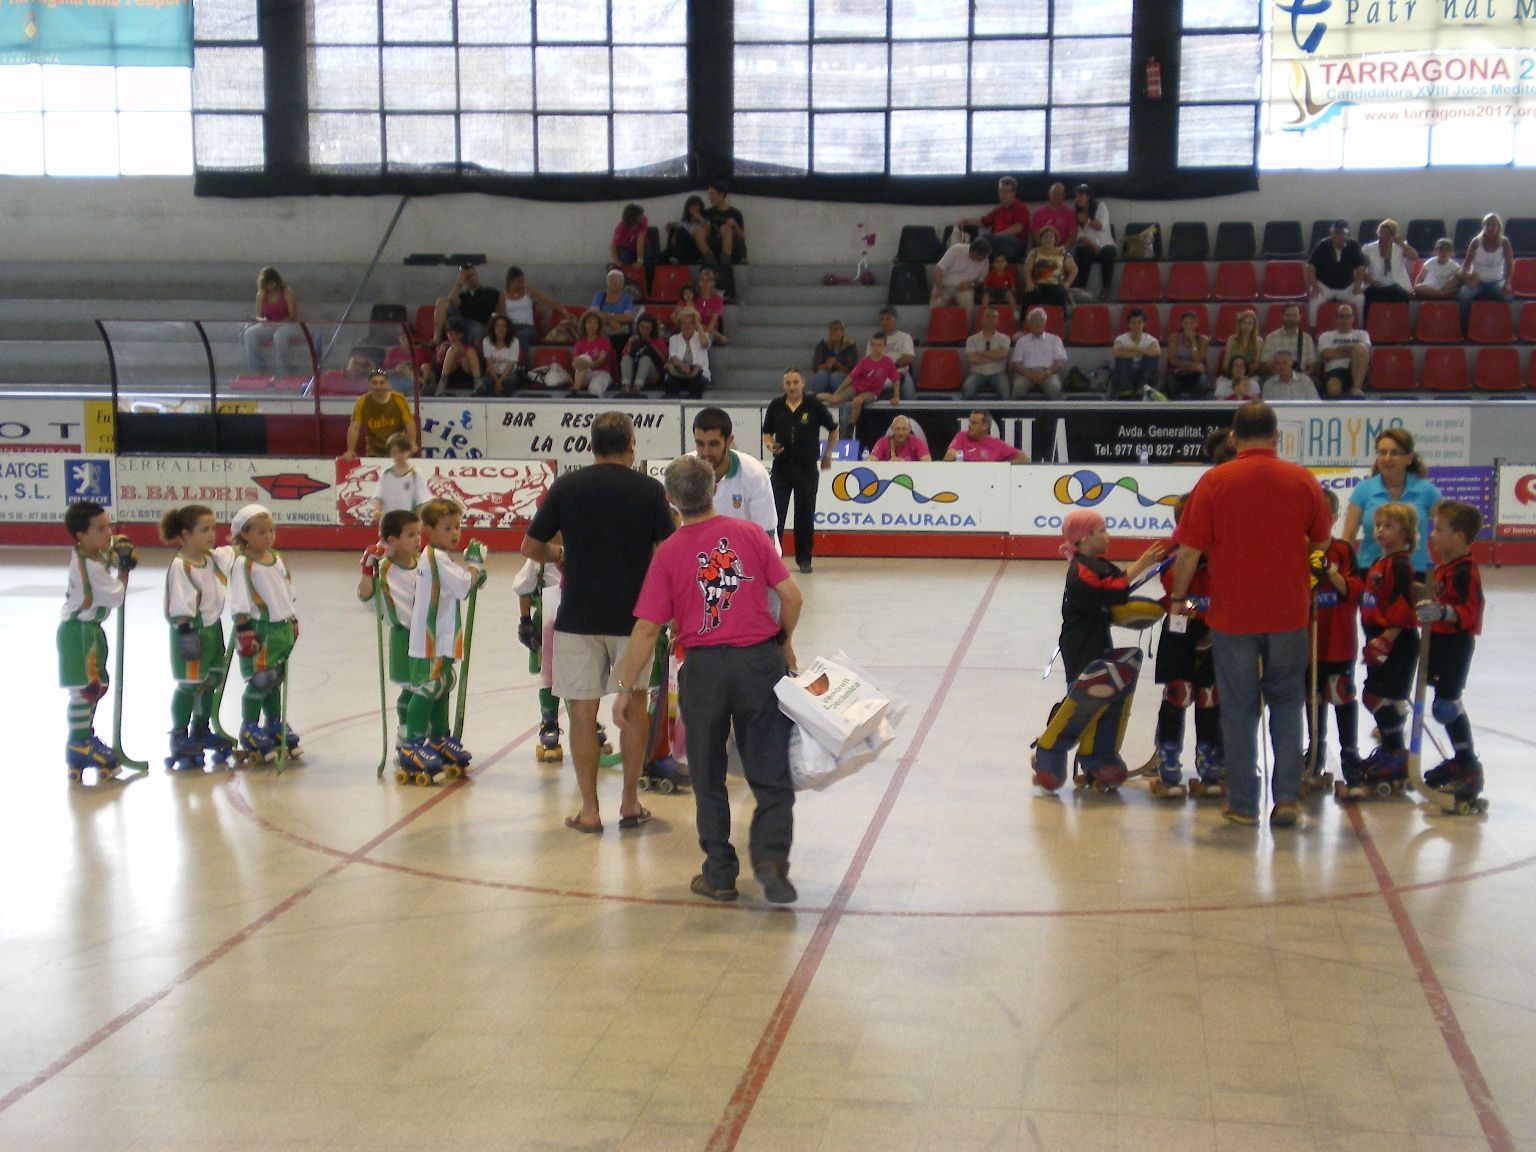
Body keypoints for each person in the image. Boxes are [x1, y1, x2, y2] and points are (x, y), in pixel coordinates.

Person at [612, 455, 804, 903]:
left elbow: (647, 628)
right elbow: (792, 597)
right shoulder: (751, 534)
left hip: (704, 671)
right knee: (770, 771)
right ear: (714, 488)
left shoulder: (668, 553)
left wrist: (625, 688)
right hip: (759, 663)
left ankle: (719, 872)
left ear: (670, 499)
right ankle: (772, 861)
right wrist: (783, 641)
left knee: (707, 773)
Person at [1168, 400, 1332, 827]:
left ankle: (1243, 803)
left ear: (1233, 437)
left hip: (1233, 615)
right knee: (1287, 703)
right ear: (1277, 437)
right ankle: (1288, 798)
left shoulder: (1214, 481)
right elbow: (1321, 543)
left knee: (1239, 709)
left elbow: (1189, 550)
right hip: (1289, 612)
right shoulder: (1302, 480)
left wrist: (1178, 598)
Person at [521, 413, 676, 832]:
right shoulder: (649, 490)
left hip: (578, 616)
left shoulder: (567, 486)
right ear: (631, 444)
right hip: (634, 619)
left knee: (582, 714)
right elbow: (668, 550)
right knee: (634, 707)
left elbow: (531, 546)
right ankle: (629, 802)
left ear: (592, 446)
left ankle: (589, 810)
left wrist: (560, 556)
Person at [1031, 511, 1165, 792]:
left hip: (1097, 640)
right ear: (1084, 538)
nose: (1108, 536)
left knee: (1104, 694)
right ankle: (1048, 749)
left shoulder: (1098, 564)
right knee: (1083, 698)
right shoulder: (1081, 570)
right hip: (1080, 645)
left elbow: (1116, 595)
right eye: (1102, 530)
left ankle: (1097, 755)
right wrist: (1142, 564)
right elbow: (1114, 589)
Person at [400, 498, 485, 781]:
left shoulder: (440, 558)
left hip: (442, 638)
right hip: (430, 640)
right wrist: (474, 565)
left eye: (457, 527)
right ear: (429, 530)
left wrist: (474, 575)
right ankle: (411, 744)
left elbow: (460, 583)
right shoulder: (436, 557)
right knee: (428, 687)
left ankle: (438, 738)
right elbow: (463, 586)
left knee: (443, 684)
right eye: (447, 528)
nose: (455, 533)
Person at [1147, 494, 1222, 799]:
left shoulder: (1221, 553)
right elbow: (1172, 585)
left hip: (1213, 629)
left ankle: (1208, 760)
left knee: (1209, 695)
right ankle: (1168, 761)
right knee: (1178, 693)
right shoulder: (1175, 554)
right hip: (1182, 630)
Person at [58, 502, 136, 779]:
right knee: (85, 688)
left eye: (109, 526)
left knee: (97, 685)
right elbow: (116, 596)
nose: (109, 533)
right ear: (81, 535)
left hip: (90, 630)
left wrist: (118, 549)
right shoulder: (89, 566)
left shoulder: (91, 551)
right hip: (78, 633)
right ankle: (78, 743)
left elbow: (108, 550)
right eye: (101, 528)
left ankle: (84, 737)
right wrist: (124, 571)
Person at [1418, 500, 1487, 807]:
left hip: (1455, 643)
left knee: (1447, 705)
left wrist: (1443, 612)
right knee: (1439, 702)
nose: (1432, 535)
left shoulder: (1464, 571)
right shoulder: (1445, 568)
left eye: (1439, 529)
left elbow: (1469, 611)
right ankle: (1460, 761)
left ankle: (1468, 765)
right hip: (1439, 640)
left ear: (1459, 537)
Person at [1350, 503, 1420, 799]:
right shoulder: (1382, 562)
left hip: (1396, 641)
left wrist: (1386, 639)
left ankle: (1397, 754)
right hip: (1379, 638)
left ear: (1405, 533)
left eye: (1388, 526)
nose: (1380, 530)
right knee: (1377, 695)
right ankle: (1391, 750)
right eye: (1378, 525)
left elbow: (1402, 606)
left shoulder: (1399, 565)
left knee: (1381, 697)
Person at [161, 504, 231, 772]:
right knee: (190, 684)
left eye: (213, 528)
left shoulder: (211, 559)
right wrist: (186, 634)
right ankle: (179, 734)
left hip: (213, 629)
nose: (212, 534)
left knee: (210, 680)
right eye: (204, 530)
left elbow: (235, 552)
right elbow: (179, 605)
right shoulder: (182, 566)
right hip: (191, 631)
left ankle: (200, 728)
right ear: (186, 534)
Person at [227, 504, 300, 760]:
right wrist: (243, 628)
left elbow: (287, 591)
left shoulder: (276, 558)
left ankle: (274, 722)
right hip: (261, 629)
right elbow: (240, 598)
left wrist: (292, 619)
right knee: (260, 680)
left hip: (281, 627)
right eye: (261, 532)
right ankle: (249, 727)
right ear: (244, 535)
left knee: (274, 680)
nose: (268, 536)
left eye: (271, 530)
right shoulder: (243, 564)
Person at [1305, 488, 1364, 789]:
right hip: (1308, 642)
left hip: (1337, 638)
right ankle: (1315, 751)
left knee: (1340, 692)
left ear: (1335, 517)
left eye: (1325, 513)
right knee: (1312, 697)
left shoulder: (1343, 551)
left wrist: (1328, 571)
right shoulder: (1296, 550)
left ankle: (1350, 754)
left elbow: (1354, 588)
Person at [357, 509, 420, 766]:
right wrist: (367, 568)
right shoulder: (385, 569)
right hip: (403, 635)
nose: (417, 539)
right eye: (411, 535)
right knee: (412, 688)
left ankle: (422, 734)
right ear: (392, 540)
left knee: (426, 687)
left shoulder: (423, 562)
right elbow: (366, 597)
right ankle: (406, 738)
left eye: (418, 533)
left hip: (427, 634)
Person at [762, 368, 837, 574]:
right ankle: (772, 557)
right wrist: (770, 446)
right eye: (788, 383)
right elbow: (766, 433)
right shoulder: (776, 406)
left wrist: (828, 454)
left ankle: (804, 559)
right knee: (775, 513)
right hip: (782, 468)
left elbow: (833, 428)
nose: (792, 387)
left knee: (804, 515)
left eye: (795, 382)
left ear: (803, 383)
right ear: (783, 385)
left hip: (807, 468)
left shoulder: (813, 405)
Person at [1342, 428, 1442, 574]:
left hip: (1415, 572)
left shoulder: (1428, 491)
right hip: (1369, 571)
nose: (1387, 458)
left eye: (1394, 453)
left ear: (1409, 458)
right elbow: (1348, 537)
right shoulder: (1363, 490)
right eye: (1382, 452)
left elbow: (1444, 532)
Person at [694, 406, 777, 537]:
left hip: (749, 547)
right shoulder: (685, 471)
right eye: (700, 443)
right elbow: (674, 516)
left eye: (713, 444)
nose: (705, 452)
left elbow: (766, 535)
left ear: (729, 441)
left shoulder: (754, 474)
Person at [818, 331, 899, 436]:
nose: (876, 348)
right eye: (873, 345)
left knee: (857, 401)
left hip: (871, 392)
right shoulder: (864, 361)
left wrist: (896, 396)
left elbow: (895, 380)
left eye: (879, 345)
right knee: (834, 400)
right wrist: (838, 391)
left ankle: (851, 426)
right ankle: (813, 396)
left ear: (885, 346)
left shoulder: (888, 362)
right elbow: (850, 378)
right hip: (856, 388)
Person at [242, 266, 310, 376]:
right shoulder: (261, 295)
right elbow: (258, 315)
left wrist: (279, 323)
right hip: (269, 324)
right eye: (268, 284)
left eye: (273, 283)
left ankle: (282, 372)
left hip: (287, 324)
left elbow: (292, 315)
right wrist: (263, 320)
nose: (272, 287)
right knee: (249, 334)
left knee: (279, 336)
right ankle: (257, 370)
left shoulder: (287, 292)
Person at [343, 369, 417, 460]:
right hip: (373, 451)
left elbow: (409, 423)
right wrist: (350, 450)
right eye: (375, 383)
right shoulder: (362, 401)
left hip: (397, 449)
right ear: (369, 384)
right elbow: (354, 427)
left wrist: (412, 443)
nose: (378, 386)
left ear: (387, 383)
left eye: (382, 383)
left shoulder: (399, 399)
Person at [953, 176, 1031, 261]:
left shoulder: (1021, 208)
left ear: (1013, 193)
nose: (1003, 194)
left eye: (1006, 191)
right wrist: (965, 220)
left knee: (984, 239)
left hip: (1015, 245)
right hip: (995, 244)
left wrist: (995, 237)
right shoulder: (998, 211)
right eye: (1001, 190)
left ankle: (966, 256)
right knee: (970, 234)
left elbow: (1017, 228)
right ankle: (960, 254)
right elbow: (982, 222)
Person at [1458, 211, 1513, 329]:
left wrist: (1507, 284)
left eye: (1493, 225)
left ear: (1498, 227)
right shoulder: (1475, 242)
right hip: (1477, 282)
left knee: (1507, 297)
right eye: (1487, 225)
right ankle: (1464, 328)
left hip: (1496, 281)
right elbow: (1465, 267)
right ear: (1483, 226)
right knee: (1464, 295)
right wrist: (1468, 279)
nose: (1490, 227)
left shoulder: (1504, 242)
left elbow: (1510, 265)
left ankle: (1502, 328)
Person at [1305, 219, 1365, 325]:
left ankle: (1359, 328)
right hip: (1325, 287)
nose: (1339, 235)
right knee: (1314, 299)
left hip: (1346, 287)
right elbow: (1310, 266)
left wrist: (1358, 285)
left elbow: (1360, 267)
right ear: (1331, 233)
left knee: (1360, 298)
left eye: (1342, 233)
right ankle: (1312, 329)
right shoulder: (1323, 245)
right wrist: (1314, 285)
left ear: (1347, 234)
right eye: (1336, 232)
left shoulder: (1354, 245)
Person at [1357, 219, 1417, 323]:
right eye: (1381, 233)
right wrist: (1371, 280)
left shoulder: (1400, 247)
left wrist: (1402, 244)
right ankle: (1370, 326)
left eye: (1387, 234)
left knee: (1401, 295)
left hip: (1397, 285)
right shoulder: (1368, 248)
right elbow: (1361, 270)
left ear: (1393, 236)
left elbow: (1414, 257)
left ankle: (1400, 326)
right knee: (1370, 295)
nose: (1383, 236)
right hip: (1375, 284)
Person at [433, 263, 502, 345]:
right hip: (461, 320)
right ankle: (437, 339)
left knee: (476, 329)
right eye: (467, 277)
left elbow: (498, 309)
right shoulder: (463, 295)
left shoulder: (489, 292)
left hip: (480, 322)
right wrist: (459, 281)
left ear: (477, 275)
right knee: (441, 301)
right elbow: (451, 299)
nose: (470, 279)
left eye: (472, 275)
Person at [1008, 306, 1067, 400]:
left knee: (1055, 388)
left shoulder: (1055, 339)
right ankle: (1016, 410)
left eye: (1041, 320)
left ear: (1045, 322)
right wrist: (1029, 375)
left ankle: (1059, 410)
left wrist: (1046, 373)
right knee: (1018, 388)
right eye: (1035, 320)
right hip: (1026, 374)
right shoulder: (1021, 341)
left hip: (1048, 373)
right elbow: (1017, 363)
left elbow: (1059, 363)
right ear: (1029, 324)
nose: (1038, 323)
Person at [1072, 183, 1116, 301]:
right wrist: (1093, 246)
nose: (1077, 199)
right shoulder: (1075, 214)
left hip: (1105, 243)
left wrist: (1086, 220)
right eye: (1076, 197)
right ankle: (1082, 289)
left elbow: (1100, 226)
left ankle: (1105, 290)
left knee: (1109, 251)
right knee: (1083, 251)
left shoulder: (1101, 206)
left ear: (1088, 197)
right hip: (1088, 245)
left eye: (1080, 196)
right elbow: (1080, 236)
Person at [1315, 303, 1370, 398]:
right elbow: (1326, 354)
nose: (1344, 320)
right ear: (1336, 318)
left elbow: (1364, 351)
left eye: (1347, 316)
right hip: (1335, 369)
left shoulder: (1362, 334)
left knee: (1361, 348)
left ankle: (1357, 388)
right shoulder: (1326, 336)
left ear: (1353, 318)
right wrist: (1353, 351)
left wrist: (1339, 350)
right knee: (1333, 390)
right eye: (1341, 316)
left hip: (1358, 369)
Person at [503, 266, 561, 351]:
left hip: (528, 327)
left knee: (521, 336)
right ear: (510, 281)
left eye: (523, 280)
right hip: (511, 326)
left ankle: (526, 359)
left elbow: (547, 300)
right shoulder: (503, 295)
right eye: (518, 281)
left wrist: (564, 311)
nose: (522, 284)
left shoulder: (529, 291)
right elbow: (501, 314)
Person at [1020, 225, 1075, 312]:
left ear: (1055, 239)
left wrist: (1067, 283)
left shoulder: (1062, 252)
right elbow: (1027, 269)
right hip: (1038, 285)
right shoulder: (1034, 252)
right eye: (1045, 237)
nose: (1048, 239)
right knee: (1027, 295)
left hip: (1056, 285)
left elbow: (1073, 270)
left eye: (1051, 237)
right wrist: (1029, 282)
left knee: (1061, 294)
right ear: (1040, 239)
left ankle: (1064, 319)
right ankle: (1022, 319)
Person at [961, 307, 1012, 399]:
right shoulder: (972, 339)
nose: (990, 319)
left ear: (998, 320)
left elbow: (1003, 354)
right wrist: (995, 355)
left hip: (998, 373)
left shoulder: (1005, 338)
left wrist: (981, 353)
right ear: (982, 319)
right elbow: (973, 359)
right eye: (987, 316)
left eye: (994, 316)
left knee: (1005, 393)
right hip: (977, 373)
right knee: (967, 388)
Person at [1259, 302, 1319, 378]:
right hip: (1276, 377)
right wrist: (1283, 376)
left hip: (1301, 377)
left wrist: (1303, 376)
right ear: (1282, 316)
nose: (1291, 318)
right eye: (1288, 315)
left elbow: (1312, 365)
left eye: (1294, 315)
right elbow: (1265, 363)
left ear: (1300, 317)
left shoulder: (1307, 338)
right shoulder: (1271, 337)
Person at [1110, 308, 1160, 400]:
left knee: (1151, 358)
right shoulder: (1120, 339)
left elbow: (1156, 352)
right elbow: (1118, 353)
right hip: (1126, 373)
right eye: (1133, 322)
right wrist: (1143, 351)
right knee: (1122, 359)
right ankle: (1126, 388)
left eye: (1139, 322)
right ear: (1129, 324)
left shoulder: (1151, 340)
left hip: (1146, 374)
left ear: (1144, 324)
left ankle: (1142, 387)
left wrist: (1134, 349)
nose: (1136, 325)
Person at [943, 410, 1029, 463]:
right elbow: (949, 455)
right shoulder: (962, 436)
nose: (969, 425)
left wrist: (1004, 466)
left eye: (974, 423)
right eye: (970, 422)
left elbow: (1024, 457)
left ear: (985, 426)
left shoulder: (996, 444)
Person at [590, 269, 638, 360]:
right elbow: (594, 314)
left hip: (621, 330)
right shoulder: (600, 295)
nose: (614, 284)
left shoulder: (626, 298)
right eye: (611, 281)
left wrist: (608, 316)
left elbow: (629, 317)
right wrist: (612, 322)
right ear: (607, 283)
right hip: (604, 329)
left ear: (622, 284)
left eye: (617, 282)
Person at [662, 308, 711, 398]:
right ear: (680, 324)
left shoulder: (703, 336)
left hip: (699, 373)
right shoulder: (674, 338)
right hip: (679, 372)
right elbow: (672, 357)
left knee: (696, 383)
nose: (687, 326)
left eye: (690, 323)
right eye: (684, 323)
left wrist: (699, 326)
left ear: (695, 324)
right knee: (671, 382)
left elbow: (704, 343)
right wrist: (682, 365)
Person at [931, 236, 991, 308]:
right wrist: (939, 289)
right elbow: (938, 269)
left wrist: (971, 284)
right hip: (944, 286)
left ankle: (967, 316)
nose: (983, 259)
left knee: (967, 301)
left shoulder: (985, 261)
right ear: (974, 252)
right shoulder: (956, 250)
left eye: (985, 257)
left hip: (965, 289)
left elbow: (980, 280)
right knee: (936, 301)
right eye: (981, 257)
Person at [1164, 310, 1211, 399]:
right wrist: (1192, 365)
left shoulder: (1203, 339)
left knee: (1202, 385)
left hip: (1196, 373)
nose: (1188, 326)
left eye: (1191, 323)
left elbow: (1198, 358)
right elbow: (1172, 360)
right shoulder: (1174, 338)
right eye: (1185, 323)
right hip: (1177, 372)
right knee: (1171, 385)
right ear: (1181, 325)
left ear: (1196, 324)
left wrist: (1193, 341)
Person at [619, 312, 667, 395]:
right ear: (638, 327)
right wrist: (630, 344)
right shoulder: (633, 339)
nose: (645, 331)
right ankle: (626, 386)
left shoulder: (658, 341)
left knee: (645, 359)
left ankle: (637, 388)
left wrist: (651, 344)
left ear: (652, 328)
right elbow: (625, 358)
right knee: (626, 357)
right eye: (642, 328)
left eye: (648, 328)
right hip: (634, 370)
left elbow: (665, 360)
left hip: (652, 373)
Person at [570, 310, 615, 398]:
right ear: (584, 325)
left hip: (602, 372)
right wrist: (581, 363)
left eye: (595, 323)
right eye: (589, 323)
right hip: (584, 374)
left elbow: (601, 360)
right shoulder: (579, 343)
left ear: (599, 326)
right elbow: (576, 362)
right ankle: (576, 386)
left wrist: (588, 363)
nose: (592, 326)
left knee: (595, 387)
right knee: (583, 357)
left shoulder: (604, 340)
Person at [704, 180, 747, 267]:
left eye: (712, 194)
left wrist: (735, 225)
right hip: (715, 247)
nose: (709, 197)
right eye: (709, 194)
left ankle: (725, 260)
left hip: (733, 249)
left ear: (721, 194)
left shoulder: (735, 213)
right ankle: (722, 260)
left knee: (726, 229)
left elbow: (742, 236)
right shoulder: (708, 213)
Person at [877, 306, 917, 400]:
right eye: (882, 319)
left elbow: (908, 358)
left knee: (906, 381)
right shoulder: (875, 340)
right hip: (880, 374)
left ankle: (909, 407)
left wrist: (891, 366)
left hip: (900, 372)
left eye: (888, 319)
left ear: (895, 320)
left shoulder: (904, 337)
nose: (885, 322)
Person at [810, 319, 858, 395]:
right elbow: (815, 367)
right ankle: (814, 398)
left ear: (842, 332)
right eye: (830, 330)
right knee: (822, 374)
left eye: (836, 329)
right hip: (825, 380)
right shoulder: (823, 345)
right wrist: (827, 365)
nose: (832, 332)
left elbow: (852, 371)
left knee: (835, 376)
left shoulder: (850, 347)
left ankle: (840, 398)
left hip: (841, 380)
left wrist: (836, 364)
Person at [436, 319, 483, 395]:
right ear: (447, 334)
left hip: (465, 373)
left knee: (470, 351)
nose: (453, 337)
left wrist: (462, 353)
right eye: (450, 334)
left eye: (456, 334)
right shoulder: (443, 347)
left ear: (462, 335)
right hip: (448, 375)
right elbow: (438, 365)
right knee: (453, 349)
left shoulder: (468, 348)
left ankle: (478, 383)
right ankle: (441, 385)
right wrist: (442, 353)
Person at [480, 315, 521, 397]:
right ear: (493, 328)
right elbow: (489, 364)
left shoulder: (515, 341)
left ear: (508, 329)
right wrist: (496, 381)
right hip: (492, 373)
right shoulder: (486, 341)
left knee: (510, 381)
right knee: (484, 383)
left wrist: (499, 382)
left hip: (508, 373)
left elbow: (511, 365)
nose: (500, 328)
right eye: (497, 325)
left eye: (503, 326)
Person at [668, 195, 712, 264]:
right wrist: (672, 229)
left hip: (697, 248)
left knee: (681, 230)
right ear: (688, 209)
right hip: (684, 248)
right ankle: (677, 258)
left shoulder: (705, 221)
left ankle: (678, 258)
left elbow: (708, 235)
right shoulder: (683, 222)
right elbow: (673, 241)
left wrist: (700, 218)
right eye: (691, 206)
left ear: (700, 207)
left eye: (696, 205)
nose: (694, 207)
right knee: (680, 230)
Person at [1031, 182, 1077, 249]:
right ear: (1049, 194)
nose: (1055, 196)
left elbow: (1072, 236)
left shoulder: (1070, 213)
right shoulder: (1038, 213)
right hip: (1043, 248)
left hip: (1063, 248)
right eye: (1053, 193)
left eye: (1059, 194)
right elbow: (1035, 236)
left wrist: (1061, 249)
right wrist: (1047, 250)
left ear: (1063, 196)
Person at [1221, 308, 1261, 378]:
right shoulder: (1231, 340)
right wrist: (1236, 372)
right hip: (1232, 375)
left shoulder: (1259, 341)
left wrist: (1242, 372)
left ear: (1254, 325)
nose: (1246, 326)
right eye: (1244, 323)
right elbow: (1226, 365)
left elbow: (1256, 365)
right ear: (1239, 324)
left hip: (1250, 376)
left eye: (1250, 323)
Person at [609, 202, 652, 267]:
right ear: (633, 218)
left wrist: (640, 260)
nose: (643, 216)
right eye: (640, 215)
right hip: (626, 248)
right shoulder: (620, 229)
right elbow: (613, 246)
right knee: (624, 261)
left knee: (649, 259)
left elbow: (640, 242)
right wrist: (616, 261)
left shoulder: (644, 220)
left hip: (643, 246)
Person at [695, 267, 728, 344]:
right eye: (702, 280)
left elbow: (713, 321)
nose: (705, 283)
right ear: (699, 282)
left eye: (708, 281)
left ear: (713, 283)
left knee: (702, 341)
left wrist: (706, 334)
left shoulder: (717, 299)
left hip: (710, 331)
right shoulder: (694, 298)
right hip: (695, 329)